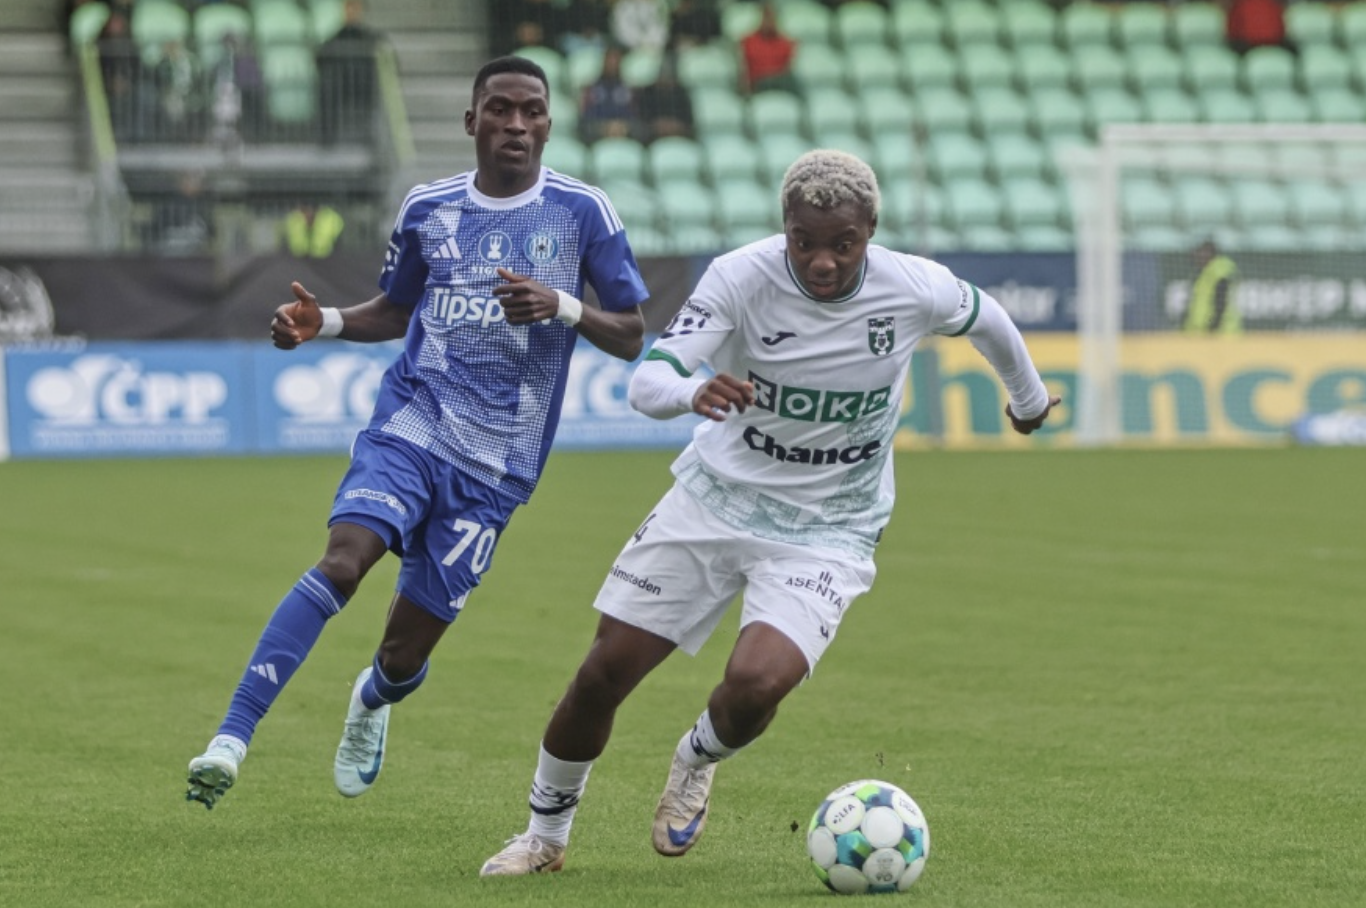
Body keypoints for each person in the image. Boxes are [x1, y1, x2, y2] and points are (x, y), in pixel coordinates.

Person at [480, 149, 1060, 875]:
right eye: (805, 242)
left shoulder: (913, 286)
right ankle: (544, 838)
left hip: (830, 526)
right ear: (784, 227)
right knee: (604, 673)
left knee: (757, 685)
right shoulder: (740, 276)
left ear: (870, 231)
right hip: (715, 499)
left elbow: (991, 320)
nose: (822, 261)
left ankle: (696, 758)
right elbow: (649, 381)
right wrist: (693, 393)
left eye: (842, 245)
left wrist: (1028, 400)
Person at [184, 55, 649, 810]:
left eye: (532, 112)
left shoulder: (581, 212)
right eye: (501, 109)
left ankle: (372, 699)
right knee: (342, 561)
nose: (517, 125)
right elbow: (397, 310)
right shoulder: (429, 208)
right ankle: (230, 738)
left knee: (404, 655)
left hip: (499, 464)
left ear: (549, 124)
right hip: (413, 421)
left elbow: (631, 332)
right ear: (472, 121)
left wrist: (562, 306)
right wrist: (326, 322)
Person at [317, 0, 383, 144]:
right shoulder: (335, 39)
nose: (352, 12)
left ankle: (374, 138)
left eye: (355, 8)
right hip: (342, 86)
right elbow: (321, 59)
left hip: (365, 84)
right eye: (349, 7)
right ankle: (327, 138)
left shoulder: (372, 38)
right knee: (327, 85)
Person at [578, 44, 637, 143]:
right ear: (603, 62)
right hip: (597, 133)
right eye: (609, 59)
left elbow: (634, 117)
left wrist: (622, 127)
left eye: (616, 59)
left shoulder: (630, 90)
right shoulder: (590, 89)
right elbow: (584, 119)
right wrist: (604, 128)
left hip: (624, 133)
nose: (612, 63)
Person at [739, 2, 799, 96]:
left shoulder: (785, 43)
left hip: (779, 83)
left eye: (772, 18)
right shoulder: (749, 42)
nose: (769, 22)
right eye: (766, 18)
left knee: (792, 80)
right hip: (758, 83)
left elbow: (787, 68)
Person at [1183, 239, 1240, 334]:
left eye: (1199, 252)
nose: (1196, 257)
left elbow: (1221, 300)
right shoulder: (1205, 273)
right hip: (1202, 333)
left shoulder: (1219, 270)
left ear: (1208, 252)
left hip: (1220, 334)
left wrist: (1213, 327)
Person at [1225, 0, 1294, 56]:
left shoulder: (1240, 4)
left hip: (1254, 45)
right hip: (1251, 45)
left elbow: (1232, 30)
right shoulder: (1273, 3)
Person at [279, 201, 345, 258]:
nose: (307, 215)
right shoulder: (293, 220)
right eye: (304, 211)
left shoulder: (330, 220)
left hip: (327, 258)